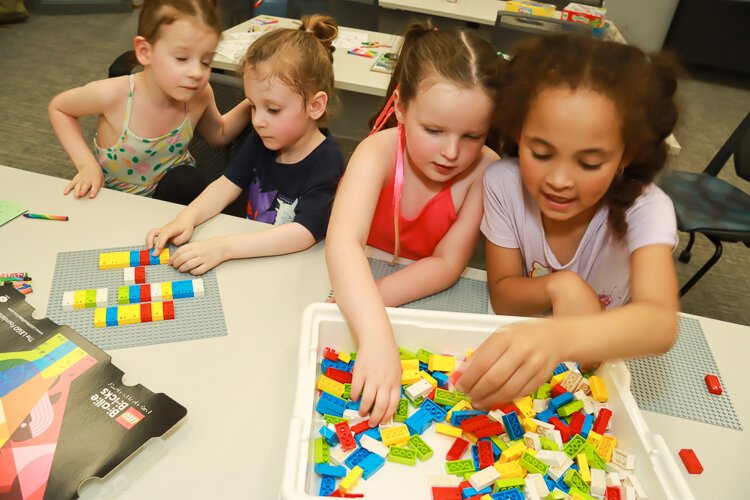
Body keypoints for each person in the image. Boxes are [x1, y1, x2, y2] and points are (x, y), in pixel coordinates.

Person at [455, 34, 681, 409]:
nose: (559, 180)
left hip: (607, 367)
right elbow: (503, 296)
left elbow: (660, 324)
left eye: (589, 163)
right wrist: (559, 285)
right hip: (530, 352)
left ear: (627, 154)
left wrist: (557, 337)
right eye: (541, 153)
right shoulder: (503, 183)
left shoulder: (646, 208)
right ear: (518, 134)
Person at [326, 22, 503, 425]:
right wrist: (374, 333)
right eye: (434, 130)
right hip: (359, 283)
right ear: (401, 108)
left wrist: (371, 307)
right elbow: (343, 243)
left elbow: (447, 264)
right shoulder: (376, 152)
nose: (452, 152)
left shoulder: (487, 170)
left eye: (472, 135)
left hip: (409, 302)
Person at [146, 15, 345, 274]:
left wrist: (225, 248)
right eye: (253, 106)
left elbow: (303, 233)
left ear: (315, 106)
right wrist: (187, 217)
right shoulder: (264, 138)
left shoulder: (327, 161)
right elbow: (226, 185)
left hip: (290, 270)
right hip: (251, 260)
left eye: (273, 109)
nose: (257, 121)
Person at [49, 0, 251, 203]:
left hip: (170, 198)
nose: (197, 73)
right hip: (114, 200)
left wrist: (252, 101)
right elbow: (60, 108)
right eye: (181, 58)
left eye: (206, 61)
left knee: (187, 180)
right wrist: (86, 166)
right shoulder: (113, 94)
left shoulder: (199, 94)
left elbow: (219, 133)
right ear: (145, 52)